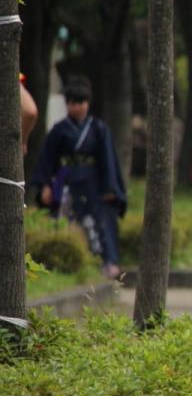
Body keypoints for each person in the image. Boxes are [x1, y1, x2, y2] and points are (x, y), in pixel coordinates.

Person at [31, 76, 127, 279]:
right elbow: (48, 159)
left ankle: (106, 263)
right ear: (67, 104)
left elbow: (108, 159)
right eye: (74, 103)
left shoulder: (99, 129)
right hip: (65, 180)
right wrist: (45, 186)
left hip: (93, 183)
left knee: (99, 222)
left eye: (82, 103)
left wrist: (110, 188)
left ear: (88, 103)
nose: (78, 107)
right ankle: (64, 263)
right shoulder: (58, 131)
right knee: (63, 220)